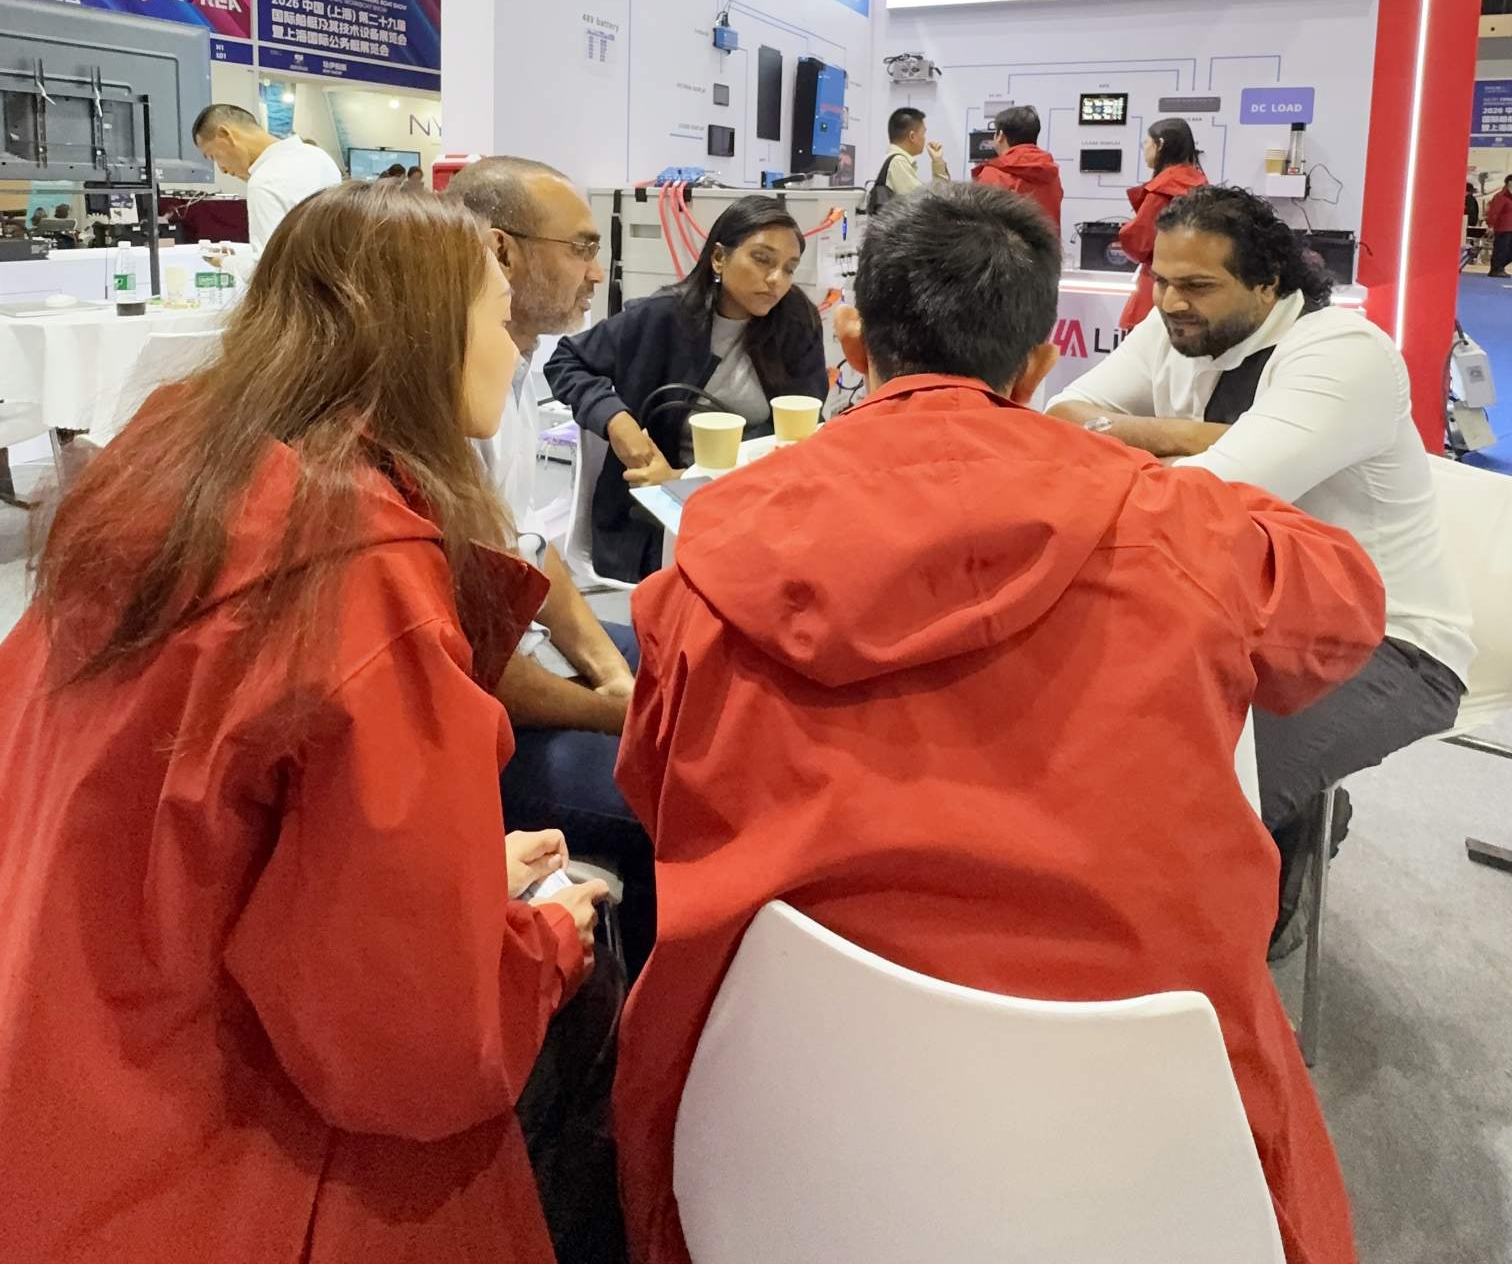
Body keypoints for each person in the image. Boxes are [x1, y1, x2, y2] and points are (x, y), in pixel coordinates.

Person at [613, 183, 1383, 1264]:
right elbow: (1342, 616)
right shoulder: (1186, 528)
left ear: (853, 341)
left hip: (773, 1122)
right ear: (1036, 368)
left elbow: (653, 789)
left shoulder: (711, 549)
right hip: (1149, 1132)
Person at [0, 180, 622, 1264]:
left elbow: (209, 825)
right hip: (224, 1151)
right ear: (426, 335)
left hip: (67, 1049)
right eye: (494, 316)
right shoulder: (361, 573)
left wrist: (449, 884)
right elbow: (415, 1044)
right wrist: (538, 948)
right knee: (593, 946)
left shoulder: (168, 470)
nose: (510, 349)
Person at [1050, 185, 1473, 950]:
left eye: (1197, 285)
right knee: (1087, 737)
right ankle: (1291, 811)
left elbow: (1202, 498)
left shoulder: (1341, 354)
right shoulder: (1177, 329)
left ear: (1268, 284)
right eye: (1162, 280)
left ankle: (1272, 870)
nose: (1170, 302)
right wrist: (1190, 431)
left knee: (1189, 812)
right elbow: (1064, 421)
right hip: (1231, 608)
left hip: (1387, 644)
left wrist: (1154, 439)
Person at [451, 156, 653, 974]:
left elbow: (531, 552)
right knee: (672, 787)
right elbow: (479, 665)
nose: (596, 272)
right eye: (580, 248)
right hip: (480, 719)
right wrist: (620, 716)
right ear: (500, 252)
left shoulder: (515, 371)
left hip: (518, 658)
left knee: (685, 665)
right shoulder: (450, 404)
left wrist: (613, 676)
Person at [546, 195, 827, 583]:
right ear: (719, 258)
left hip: (756, 501)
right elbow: (565, 361)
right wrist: (615, 419)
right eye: (763, 259)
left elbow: (803, 430)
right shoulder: (661, 317)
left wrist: (694, 480)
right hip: (658, 518)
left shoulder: (796, 326)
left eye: (789, 268)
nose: (776, 279)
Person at [192, 102, 341, 279]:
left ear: (225, 134)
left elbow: (268, 272)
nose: (222, 170)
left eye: (213, 157)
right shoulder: (320, 157)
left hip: (301, 292)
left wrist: (224, 262)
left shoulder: (264, 182)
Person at [1118, 115, 1207, 327]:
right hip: (1193, 288)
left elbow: (1138, 243)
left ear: (1160, 144)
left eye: (1146, 143)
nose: (1144, 149)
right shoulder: (1199, 184)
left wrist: (1125, 229)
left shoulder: (1163, 190)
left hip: (1158, 286)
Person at [971, 103, 1064, 232]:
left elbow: (980, 223)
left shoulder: (992, 173)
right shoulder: (1050, 173)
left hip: (1007, 245)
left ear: (1000, 136)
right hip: (1046, 244)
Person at [871, 105, 949, 203]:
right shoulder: (898, 162)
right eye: (923, 134)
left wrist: (937, 161)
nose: (924, 138)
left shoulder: (894, 160)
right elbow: (926, 204)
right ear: (912, 136)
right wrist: (938, 163)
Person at [1486, 173, 1512, 276]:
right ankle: (1496, 269)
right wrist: (1490, 225)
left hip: (1510, 228)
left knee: (1507, 250)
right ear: (1509, 183)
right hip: (1503, 228)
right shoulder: (1501, 196)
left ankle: (1499, 266)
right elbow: (1493, 212)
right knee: (1501, 249)